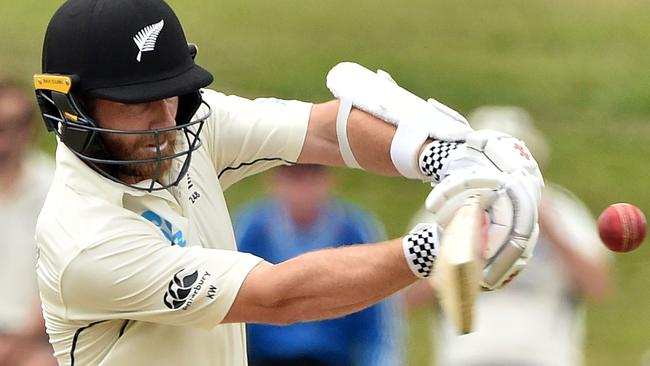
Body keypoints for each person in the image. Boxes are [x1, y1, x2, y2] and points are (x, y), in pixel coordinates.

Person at [33, 1, 544, 365]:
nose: (166, 118)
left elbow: (325, 129)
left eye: (171, 93)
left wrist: (443, 156)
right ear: (71, 110)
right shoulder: (87, 241)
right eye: (137, 101)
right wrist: (430, 250)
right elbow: (278, 297)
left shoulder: (178, 125)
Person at [405, 106, 612, 366]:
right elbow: (405, 299)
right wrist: (461, 250)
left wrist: (548, 225)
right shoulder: (442, 210)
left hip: (544, 357)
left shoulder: (562, 210)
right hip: (467, 356)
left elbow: (598, 285)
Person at [234, 165, 400, 366]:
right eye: (294, 178)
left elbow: (379, 319)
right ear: (274, 180)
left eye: (312, 177)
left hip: (333, 357)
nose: (303, 189)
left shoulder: (355, 230)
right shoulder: (252, 229)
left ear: (329, 180)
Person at [0, 80, 56, 366]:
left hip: (35, 340)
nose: (6, 138)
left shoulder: (52, 186)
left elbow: (58, 276)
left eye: (16, 124)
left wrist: (19, 342)